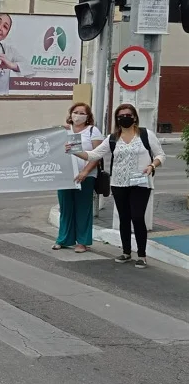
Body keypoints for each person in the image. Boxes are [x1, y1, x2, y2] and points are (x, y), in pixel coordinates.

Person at [67, 103, 166, 268]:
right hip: (119, 183)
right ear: (117, 119)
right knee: (124, 217)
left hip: (141, 183)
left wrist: (152, 166)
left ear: (134, 117)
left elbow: (160, 155)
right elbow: (94, 154)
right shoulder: (112, 138)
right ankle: (126, 252)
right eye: (121, 116)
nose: (124, 118)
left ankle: (142, 255)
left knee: (137, 217)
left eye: (128, 115)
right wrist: (74, 151)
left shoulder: (145, 135)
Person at [53, 102, 103, 253]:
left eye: (82, 113)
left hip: (86, 175)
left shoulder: (92, 131)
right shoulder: (63, 131)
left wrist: (85, 172)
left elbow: (97, 155)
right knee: (65, 207)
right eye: (76, 112)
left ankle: (82, 242)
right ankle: (63, 239)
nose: (78, 115)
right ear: (70, 114)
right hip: (65, 175)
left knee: (83, 208)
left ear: (88, 116)